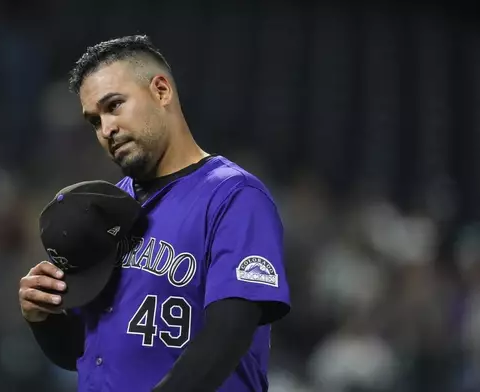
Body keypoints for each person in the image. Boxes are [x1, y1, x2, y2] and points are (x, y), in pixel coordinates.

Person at [18, 34, 291, 392]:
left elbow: (229, 332)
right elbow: (87, 352)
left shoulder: (234, 195)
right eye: (94, 120)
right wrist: (45, 319)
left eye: (114, 105)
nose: (107, 129)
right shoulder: (107, 207)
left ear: (161, 91)